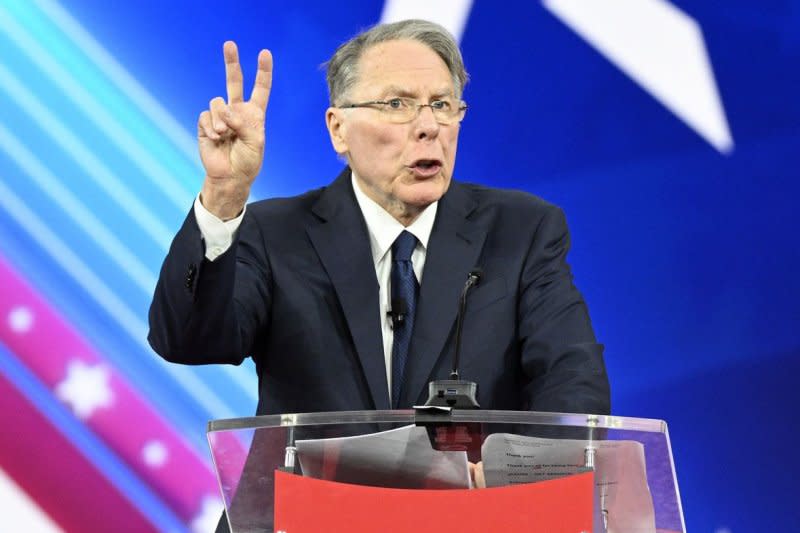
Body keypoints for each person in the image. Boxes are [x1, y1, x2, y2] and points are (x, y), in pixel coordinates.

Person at [149, 18, 609, 421]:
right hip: (309, 512)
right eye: (397, 105)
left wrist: (511, 471)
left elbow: (573, 382)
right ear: (338, 129)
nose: (428, 126)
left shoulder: (522, 230)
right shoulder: (275, 234)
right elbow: (187, 341)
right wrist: (224, 196)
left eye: (443, 105)